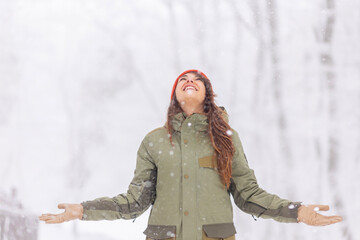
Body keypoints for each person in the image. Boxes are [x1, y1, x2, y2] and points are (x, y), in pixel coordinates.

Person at [39, 69, 342, 240]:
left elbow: (248, 195)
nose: (190, 81)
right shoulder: (154, 141)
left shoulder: (226, 138)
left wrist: (297, 211)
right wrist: (82, 210)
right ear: (175, 95)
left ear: (207, 94)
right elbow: (134, 202)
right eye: (184, 79)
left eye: (197, 80)